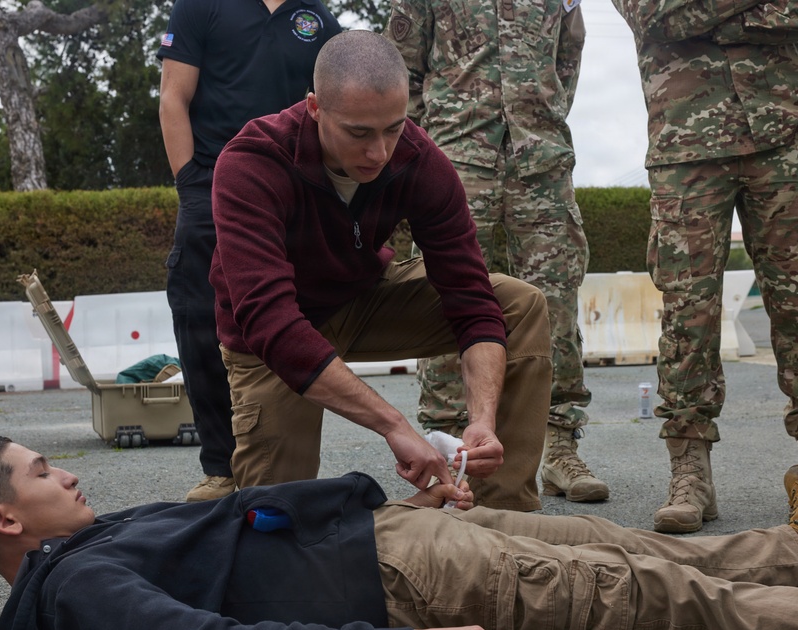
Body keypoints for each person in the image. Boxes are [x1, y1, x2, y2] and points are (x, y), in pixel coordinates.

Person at [0, 436, 798, 630]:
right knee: (659, 594)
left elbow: (246, 542)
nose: (66, 475)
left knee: (620, 539)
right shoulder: (75, 589)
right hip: (410, 580)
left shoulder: (85, 548)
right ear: (4, 519)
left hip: (394, 533)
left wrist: (399, 505)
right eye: (41, 473)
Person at [209, 29, 554, 510]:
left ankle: (498, 513)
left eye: (393, 128)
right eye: (359, 133)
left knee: (519, 304)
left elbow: (472, 300)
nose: (380, 152)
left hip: (360, 296)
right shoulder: (253, 162)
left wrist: (483, 419)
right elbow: (270, 321)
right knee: (277, 516)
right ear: (314, 108)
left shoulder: (418, 158)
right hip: (271, 337)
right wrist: (394, 425)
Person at [611, 0, 798, 534]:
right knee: (687, 316)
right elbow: (652, 17)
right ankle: (690, 471)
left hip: (779, 136)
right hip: (685, 143)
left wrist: (699, 17)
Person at [385, 0, 609, 504]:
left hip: (541, 159)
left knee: (555, 305)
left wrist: (540, 112)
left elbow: (568, 56)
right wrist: (427, 143)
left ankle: (560, 446)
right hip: (456, 158)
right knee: (444, 300)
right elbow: (401, 68)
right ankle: (447, 449)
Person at [157, 0, 341, 502]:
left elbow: (335, 109)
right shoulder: (200, 6)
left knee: (282, 326)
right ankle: (220, 468)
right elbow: (173, 97)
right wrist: (190, 183)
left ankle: (274, 470)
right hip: (211, 185)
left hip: (291, 195)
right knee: (200, 323)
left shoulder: (318, 18)